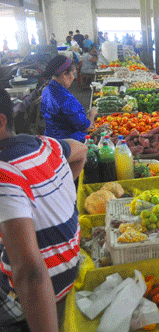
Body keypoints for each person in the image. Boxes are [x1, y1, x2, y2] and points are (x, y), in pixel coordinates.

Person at [0, 88, 87, 332]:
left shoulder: (3, 173)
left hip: (46, 289)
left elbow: (29, 273)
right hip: (70, 263)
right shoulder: (46, 145)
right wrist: (60, 190)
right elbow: (81, 150)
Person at [41, 55, 98, 142]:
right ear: (64, 75)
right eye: (72, 73)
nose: (73, 77)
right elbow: (86, 127)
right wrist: (92, 114)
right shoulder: (65, 98)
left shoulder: (47, 90)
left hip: (50, 138)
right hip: (67, 143)